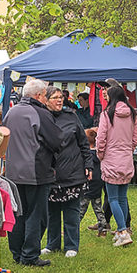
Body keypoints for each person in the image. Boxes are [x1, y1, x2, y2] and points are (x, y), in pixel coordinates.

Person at [3, 78, 63, 266]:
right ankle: (29, 255)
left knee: (18, 213)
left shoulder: (11, 112)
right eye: (45, 94)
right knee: (36, 215)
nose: (46, 98)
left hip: (13, 172)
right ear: (38, 95)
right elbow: (56, 141)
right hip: (35, 171)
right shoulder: (40, 113)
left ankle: (17, 253)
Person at [42, 86, 91, 258]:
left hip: (72, 171)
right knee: (52, 211)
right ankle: (52, 244)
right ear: (46, 100)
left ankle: (72, 245)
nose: (59, 100)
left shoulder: (71, 116)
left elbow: (84, 143)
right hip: (50, 172)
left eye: (60, 97)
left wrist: (89, 164)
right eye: (54, 97)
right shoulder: (42, 116)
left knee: (72, 210)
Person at [96, 78, 137, 247]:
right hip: (126, 158)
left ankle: (122, 231)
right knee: (122, 198)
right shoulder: (133, 114)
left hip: (111, 158)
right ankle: (124, 229)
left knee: (112, 198)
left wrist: (100, 154)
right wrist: (128, 150)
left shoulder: (107, 114)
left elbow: (101, 137)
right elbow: (135, 139)